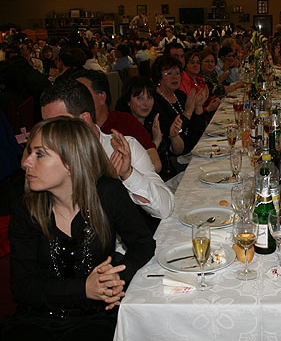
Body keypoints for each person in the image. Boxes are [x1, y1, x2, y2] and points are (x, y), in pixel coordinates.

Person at [0, 116, 155, 341]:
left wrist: (117, 277)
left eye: (39, 154)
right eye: (29, 152)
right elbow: (22, 287)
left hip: (95, 319)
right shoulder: (27, 208)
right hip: (37, 320)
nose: (26, 162)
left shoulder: (107, 193)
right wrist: (83, 289)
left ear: (71, 161)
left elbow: (143, 244)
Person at [39, 80, 174, 226]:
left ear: (84, 119)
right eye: (46, 126)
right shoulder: (48, 159)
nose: (49, 134)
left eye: (57, 125)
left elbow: (164, 208)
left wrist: (128, 174)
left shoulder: (123, 148)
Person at [70, 69, 162, 174]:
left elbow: (155, 165)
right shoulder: (74, 130)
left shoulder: (125, 122)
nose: (76, 102)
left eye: (83, 95)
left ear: (101, 97)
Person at [118, 76, 185, 183]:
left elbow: (178, 150)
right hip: (150, 185)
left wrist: (174, 136)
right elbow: (140, 169)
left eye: (149, 97)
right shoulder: (125, 129)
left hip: (170, 176)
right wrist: (155, 143)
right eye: (140, 98)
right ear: (128, 101)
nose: (146, 103)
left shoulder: (154, 120)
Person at [151, 55, 207, 154]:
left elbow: (198, 130)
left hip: (193, 150)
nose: (175, 77)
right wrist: (187, 113)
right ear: (158, 77)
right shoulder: (154, 101)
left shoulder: (180, 95)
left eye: (178, 73)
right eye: (169, 73)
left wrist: (198, 107)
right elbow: (170, 133)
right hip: (174, 156)